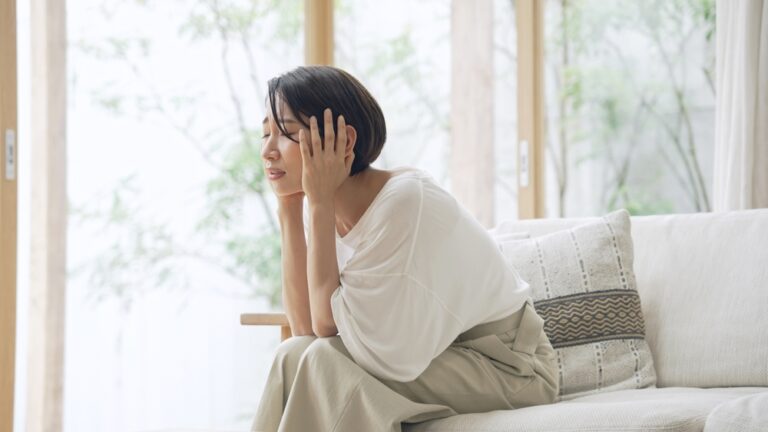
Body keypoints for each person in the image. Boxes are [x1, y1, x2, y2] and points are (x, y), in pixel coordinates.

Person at [252, 65, 558, 432]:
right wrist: (288, 208)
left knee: (320, 361)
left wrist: (315, 203)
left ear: (343, 142)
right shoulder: (320, 209)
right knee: (291, 354)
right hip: (433, 355)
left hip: (509, 367)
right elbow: (303, 328)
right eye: (265, 133)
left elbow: (324, 327)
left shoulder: (404, 203)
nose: (268, 150)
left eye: (285, 133)